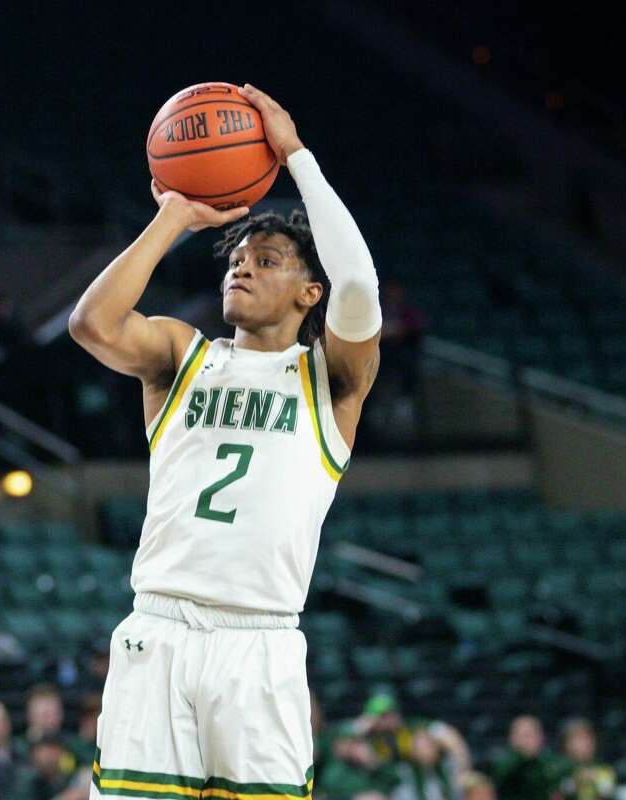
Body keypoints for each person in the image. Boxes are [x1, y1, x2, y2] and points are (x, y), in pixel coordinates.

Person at [69, 84, 383, 798]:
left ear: (311, 294)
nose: (242, 264)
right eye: (236, 257)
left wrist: (296, 154)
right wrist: (172, 217)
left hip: (261, 638)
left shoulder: (329, 379)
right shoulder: (184, 354)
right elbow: (92, 325)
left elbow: (359, 282)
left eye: (268, 259)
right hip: (158, 627)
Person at [492, 716, 563, 800]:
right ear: (512, 738)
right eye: (523, 735)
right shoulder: (503, 761)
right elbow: (504, 774)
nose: (527, 740)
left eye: (531, 735)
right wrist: (525, 757)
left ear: (541, 737)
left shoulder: (551, 762)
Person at [556, 718, 614, 800]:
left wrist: (595, 780)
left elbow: (607, 792)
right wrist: (577, 782)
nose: (584, 744)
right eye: (577, 740)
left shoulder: (603, 768)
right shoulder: (558, 768)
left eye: (587, 739)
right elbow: (558, 791)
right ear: (566, 744)